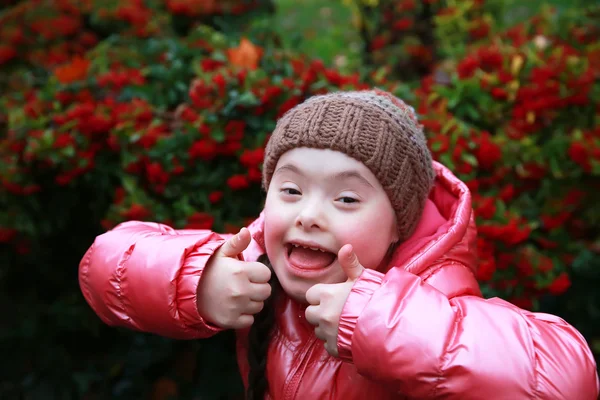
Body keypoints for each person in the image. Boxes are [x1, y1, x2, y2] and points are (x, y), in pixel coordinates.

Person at [79, 89, 599, 399]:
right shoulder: (254, 261)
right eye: (290, 189)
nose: (308, 213)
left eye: (346, 199)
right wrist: (196, 276)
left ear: (399, 223)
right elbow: (104, 267)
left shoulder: (433, 294)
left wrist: (378, 320)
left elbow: (565, 379)